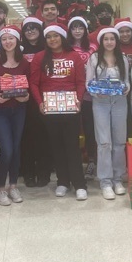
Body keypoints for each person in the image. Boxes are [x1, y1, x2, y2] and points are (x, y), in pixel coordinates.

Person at [29, 23, 88, 200]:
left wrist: (78, 99)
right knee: (56, 145)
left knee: (72, 145)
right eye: (48, 37)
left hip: (71, 107)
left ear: (62, 37)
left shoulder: (74, 56)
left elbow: (80, 81)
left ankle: (79, 183)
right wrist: (39, 103)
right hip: (50, 108)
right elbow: (34, 83)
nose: (52, 39)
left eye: (56, 36)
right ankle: (62, 182)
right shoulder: (40, 57)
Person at [0, 26, 30, 206]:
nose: (8, 42)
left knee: (16, 148)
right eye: (4, 39)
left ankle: (13, 185)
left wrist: (25, 96)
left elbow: (27, 87)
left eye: (11, 39)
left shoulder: (24, 62)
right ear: (0, 42)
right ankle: (1, 188)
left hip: (18, 109)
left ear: (17, 41)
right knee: (7, 149)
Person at [86, 27, 130, 200]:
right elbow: (89, 82)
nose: (109, 42)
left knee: (119, 142)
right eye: (106, 39)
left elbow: (126, 81)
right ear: (101, 41)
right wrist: (97, 92)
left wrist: (126, 89)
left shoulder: (123, 59)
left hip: (119, 102)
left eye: (112, 38)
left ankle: (118, 178)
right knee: (104, 142)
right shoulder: (94, 58)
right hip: (101, 103)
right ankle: (105, 181)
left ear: (116, 41)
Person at [20, 17, 51, 187]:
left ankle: (44, 172)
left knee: (43, 136)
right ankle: (28, 172)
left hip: (43, 97)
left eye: (34, 28)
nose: (31, 31)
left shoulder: (48, 49)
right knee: (26, 137)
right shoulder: (19, 49)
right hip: (23, 99)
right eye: (27, 29)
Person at [68, 15, 97, 180]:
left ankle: (91, 162)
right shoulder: (66, 48)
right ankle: (74, 163)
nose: (77, 31)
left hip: (89, 96)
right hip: (70, 95)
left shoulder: (93, 47)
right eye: (74, 27)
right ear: (70, 31)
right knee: (72, 129)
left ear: (85, 30)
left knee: (89, 128)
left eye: (80, 27)